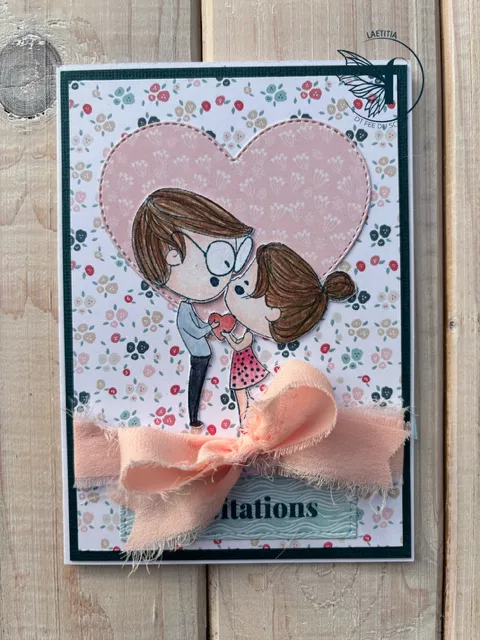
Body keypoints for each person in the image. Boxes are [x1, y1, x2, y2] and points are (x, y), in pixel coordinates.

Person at [132, 188, 253, 428]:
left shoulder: (188, 306)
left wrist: (212, 325)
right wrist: (212, 325)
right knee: (195, 385)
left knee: (201, 383)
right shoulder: (184, 311)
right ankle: (193, 418)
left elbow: (199, 326)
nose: (229, 274)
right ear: (173, 257)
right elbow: (194, 331)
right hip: (199, 354)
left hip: (204, 352)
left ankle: (196, 415)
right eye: (221, 259)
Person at [223, 242, 355, 422]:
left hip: (245, 369)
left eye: (242, 287)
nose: (233, 281)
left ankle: (246, 419)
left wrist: (226, 336)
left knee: (243, 394)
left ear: (272, 312)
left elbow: (239, 345)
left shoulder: (253, 339)